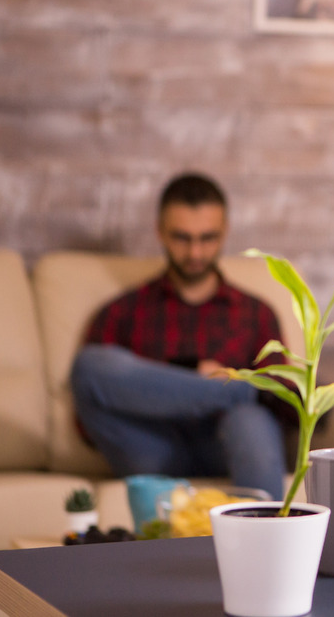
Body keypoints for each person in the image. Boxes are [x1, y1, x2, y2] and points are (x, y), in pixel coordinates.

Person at [69, 172, 287, 500]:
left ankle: (268, 539)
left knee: (254, 419)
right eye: (182, 238)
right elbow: (89, 420)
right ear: (160, 232)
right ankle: (245, 390)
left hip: (226, 444)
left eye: (208, 238)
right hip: (151, 448)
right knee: (89, 366)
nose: (196, 252)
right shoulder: (122, 312)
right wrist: (180, 390)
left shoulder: (257, 313)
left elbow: (280, 418)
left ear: (225, 231)